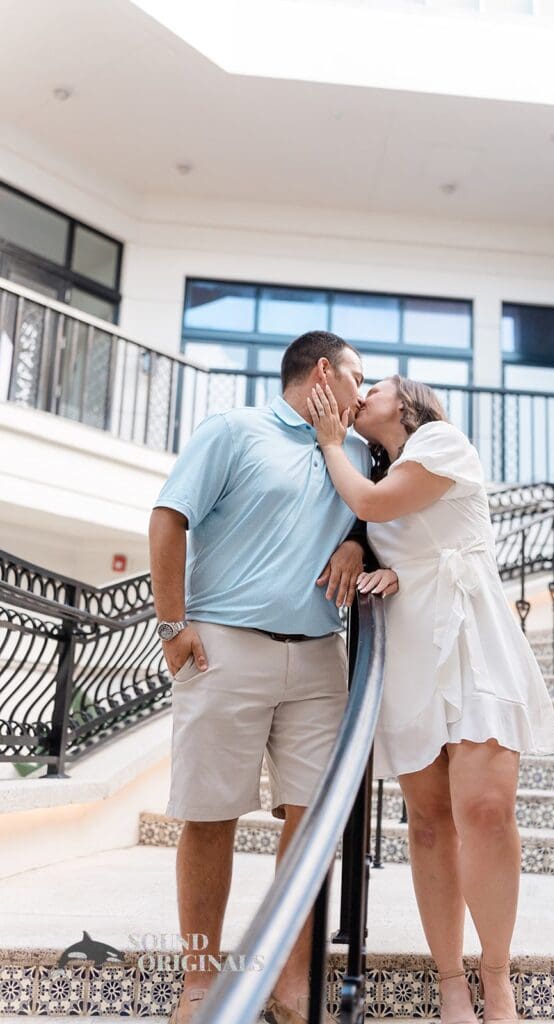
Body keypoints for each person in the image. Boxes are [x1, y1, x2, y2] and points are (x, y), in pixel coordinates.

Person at [307, 375, 554, 1024]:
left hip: (472, 637)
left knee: (486, 808)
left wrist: (330, 441)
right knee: (427, 821)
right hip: (411, 647)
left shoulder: (440, 442)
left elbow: (375, 503)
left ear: (407, 402)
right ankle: (450, 980)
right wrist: (360, 547)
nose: (362, 394)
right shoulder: (374, 467)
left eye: (375, 387)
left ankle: (496, 978)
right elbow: (369, 516)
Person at [149, 331, 383, 1024]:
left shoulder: (358, 452)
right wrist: (172, 623)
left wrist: (355, 541)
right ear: (323, 372)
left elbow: (383, 517)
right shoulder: (234, 430)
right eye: (358, 377)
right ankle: (200, 981)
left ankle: (290, 980)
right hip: (223, 649)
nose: (365, 392)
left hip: (318, 658)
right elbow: (169, 517)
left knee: (315, 821)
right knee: (209, 816)